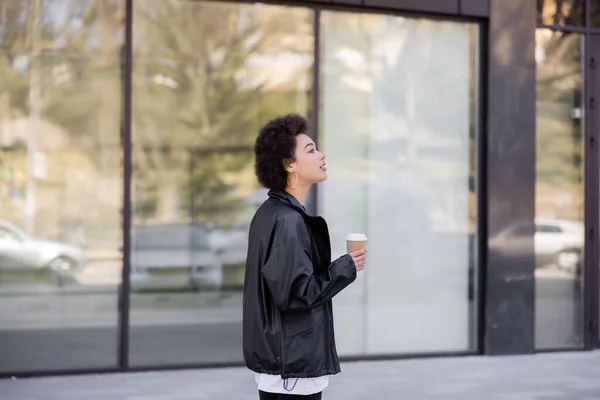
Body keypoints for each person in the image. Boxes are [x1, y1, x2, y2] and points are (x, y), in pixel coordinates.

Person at [242, 114, 367, 399]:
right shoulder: (287, 220)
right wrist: (346, 267)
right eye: (310, 150)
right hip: (292, 363)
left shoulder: (271, 213)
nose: (321, 155)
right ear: (289, 164)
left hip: (282, 361)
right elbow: (296, 294)